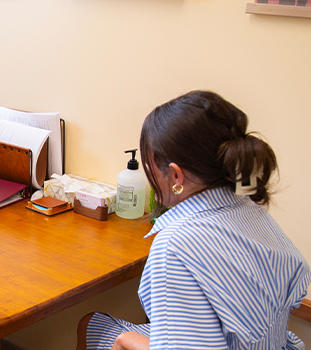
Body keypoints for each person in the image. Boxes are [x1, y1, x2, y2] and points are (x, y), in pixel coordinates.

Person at [76, 90, 311, 350]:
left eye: (149, 164)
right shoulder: (249, 205)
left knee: (95, 326)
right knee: (92, 324)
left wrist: (126, 340)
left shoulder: (174, 245)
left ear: (176, 176)